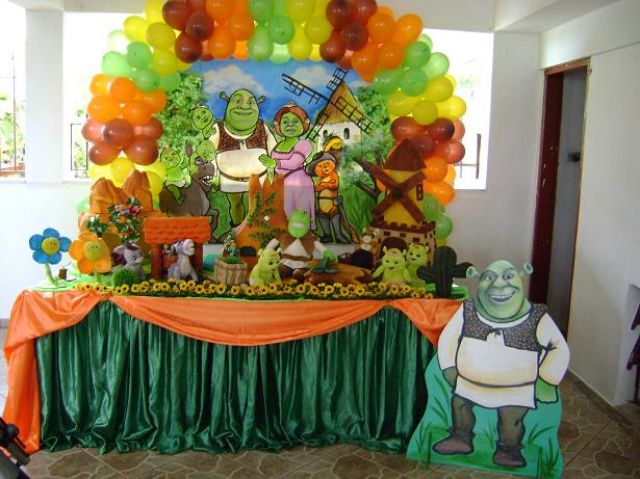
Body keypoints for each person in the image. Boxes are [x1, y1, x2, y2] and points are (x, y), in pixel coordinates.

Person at [259, 102, 316, 228]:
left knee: (298, 214)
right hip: (281, 185)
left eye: (295, 121)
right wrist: (270, 179)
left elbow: (294, 163)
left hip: (299, 185)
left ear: (304, 124)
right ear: (279, 126)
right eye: (285, 122)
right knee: (282, 213)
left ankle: (301, 234)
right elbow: (271, 169)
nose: (290, 125)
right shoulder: (278, 146)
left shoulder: (303, 144)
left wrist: (275, 163)